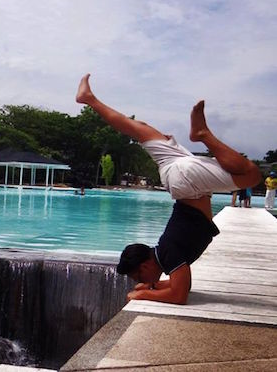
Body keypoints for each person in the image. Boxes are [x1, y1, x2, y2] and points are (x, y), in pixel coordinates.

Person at [76, 74, 261, 305]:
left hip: (186, 182)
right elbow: (182, 286)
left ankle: (203, 135)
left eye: (138, 277)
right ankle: (90, 99)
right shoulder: (166, 253)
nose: (139, 281)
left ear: (145, 266)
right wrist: (153, 285)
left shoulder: (168, 253)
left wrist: (143, 293)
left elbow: (179, 296)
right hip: (180, 177)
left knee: (251, 175)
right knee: (139, 128)